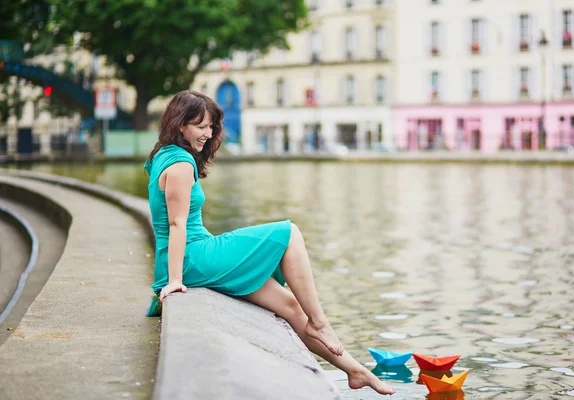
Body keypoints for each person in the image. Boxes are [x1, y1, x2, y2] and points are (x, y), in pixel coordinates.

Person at [144, 90, 395, 396]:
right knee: (288, 233)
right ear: (180, 124)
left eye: (211, 127)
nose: (208, 135)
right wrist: (174, 281)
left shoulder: (163, 155)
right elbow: (176, 224)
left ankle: (356, 372)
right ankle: (320, 322)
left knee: (289, 304)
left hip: (193, 253)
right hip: (192, 257)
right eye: (201, 127)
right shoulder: (182, 164)